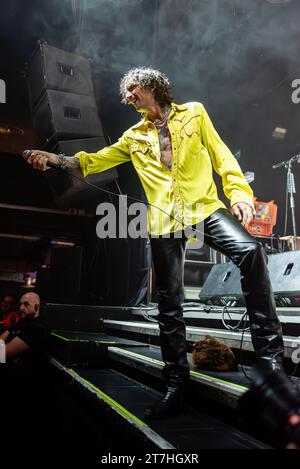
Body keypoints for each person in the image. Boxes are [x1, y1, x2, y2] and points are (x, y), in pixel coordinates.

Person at [26, 67, 284, 419]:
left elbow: (222, 154)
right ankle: (176, 385)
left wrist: (238, 193)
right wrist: (56, 159)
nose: (127, 97)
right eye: (126, 93)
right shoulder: (133, 136)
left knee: (252, 251)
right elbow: (94, 160)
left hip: (203, 207)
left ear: (150, 85)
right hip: (164, 220)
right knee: (169, 302)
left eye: (132, 89)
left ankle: (271, 365)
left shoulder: (194, 112)